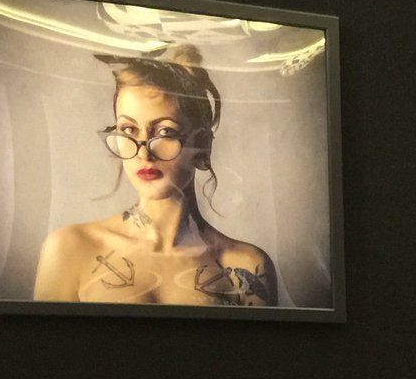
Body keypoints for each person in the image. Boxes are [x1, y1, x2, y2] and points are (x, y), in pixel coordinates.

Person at [34, 44, 279, 307]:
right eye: (128, 130)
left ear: (203, 145)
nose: (143, 153)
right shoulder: (70, 249)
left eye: (165, 132)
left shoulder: (245, 266)